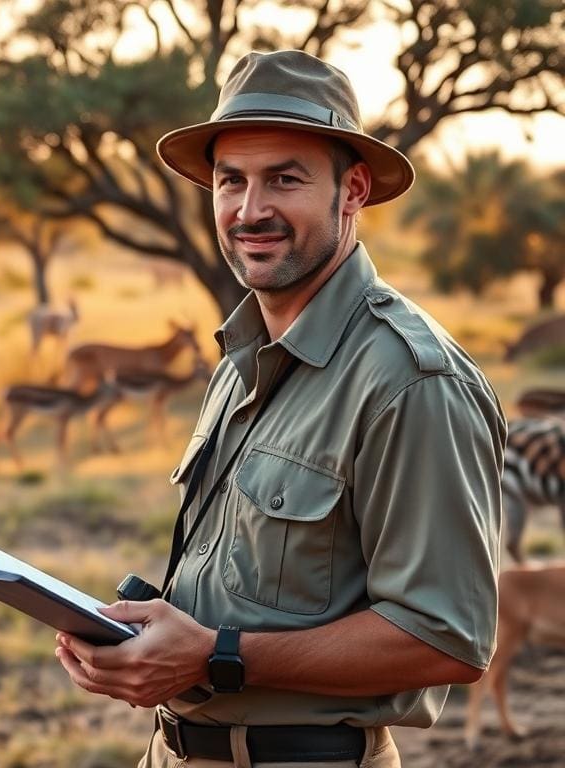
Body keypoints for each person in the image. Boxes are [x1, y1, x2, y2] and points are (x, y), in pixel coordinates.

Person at [54, 49, 506, 767]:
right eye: (230, 180)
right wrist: (138, 646)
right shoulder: (242, 357)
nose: (250, 209)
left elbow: (445, 639)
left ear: (352, 190)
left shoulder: (412, 380)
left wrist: (216, 656)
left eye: (285, 180)